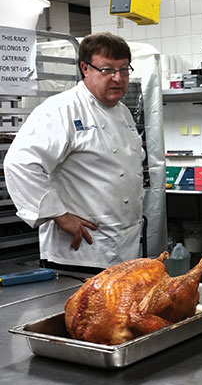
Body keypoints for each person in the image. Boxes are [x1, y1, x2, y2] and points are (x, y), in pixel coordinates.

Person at [4, 32, 144, 273]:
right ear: (85, 68)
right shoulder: (61, 109)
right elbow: (20, 163)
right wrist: (59, 215)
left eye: (123, 70)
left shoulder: (123, 113)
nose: (117, 78)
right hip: (80, 253)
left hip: (125, 249)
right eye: (107, 70)